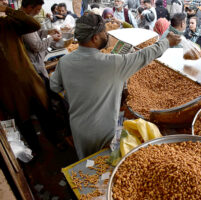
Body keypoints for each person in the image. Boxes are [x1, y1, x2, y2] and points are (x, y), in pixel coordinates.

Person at [49, 13, 181, 159]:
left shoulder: (64, 61)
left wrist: (74, 93)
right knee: (103, 167)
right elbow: (144, 56)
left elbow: (54, 86)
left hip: (78, 127)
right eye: (104, 32)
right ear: (95, 38)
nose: (107, 35)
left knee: (85, 166)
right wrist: (167, 42)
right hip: (103, 132)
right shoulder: (113, 63)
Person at [0, 1, 62, 153]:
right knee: (22, 119)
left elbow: (33, 25)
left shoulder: (8, 23)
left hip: (27, 77)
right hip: (6, 84)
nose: (6, 2)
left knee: (43, 109)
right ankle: (36, 151)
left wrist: (8, 10)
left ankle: (55, 140)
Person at [22, 4, 61, 79]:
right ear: (30, 7)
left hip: (37, 60)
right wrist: (52, 38)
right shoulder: (24, 23)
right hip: (33, 64)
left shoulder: (28, 19)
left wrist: (49, 32)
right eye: (37, 9)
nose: (39, 12)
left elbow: (35, 34)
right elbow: (37, 46)